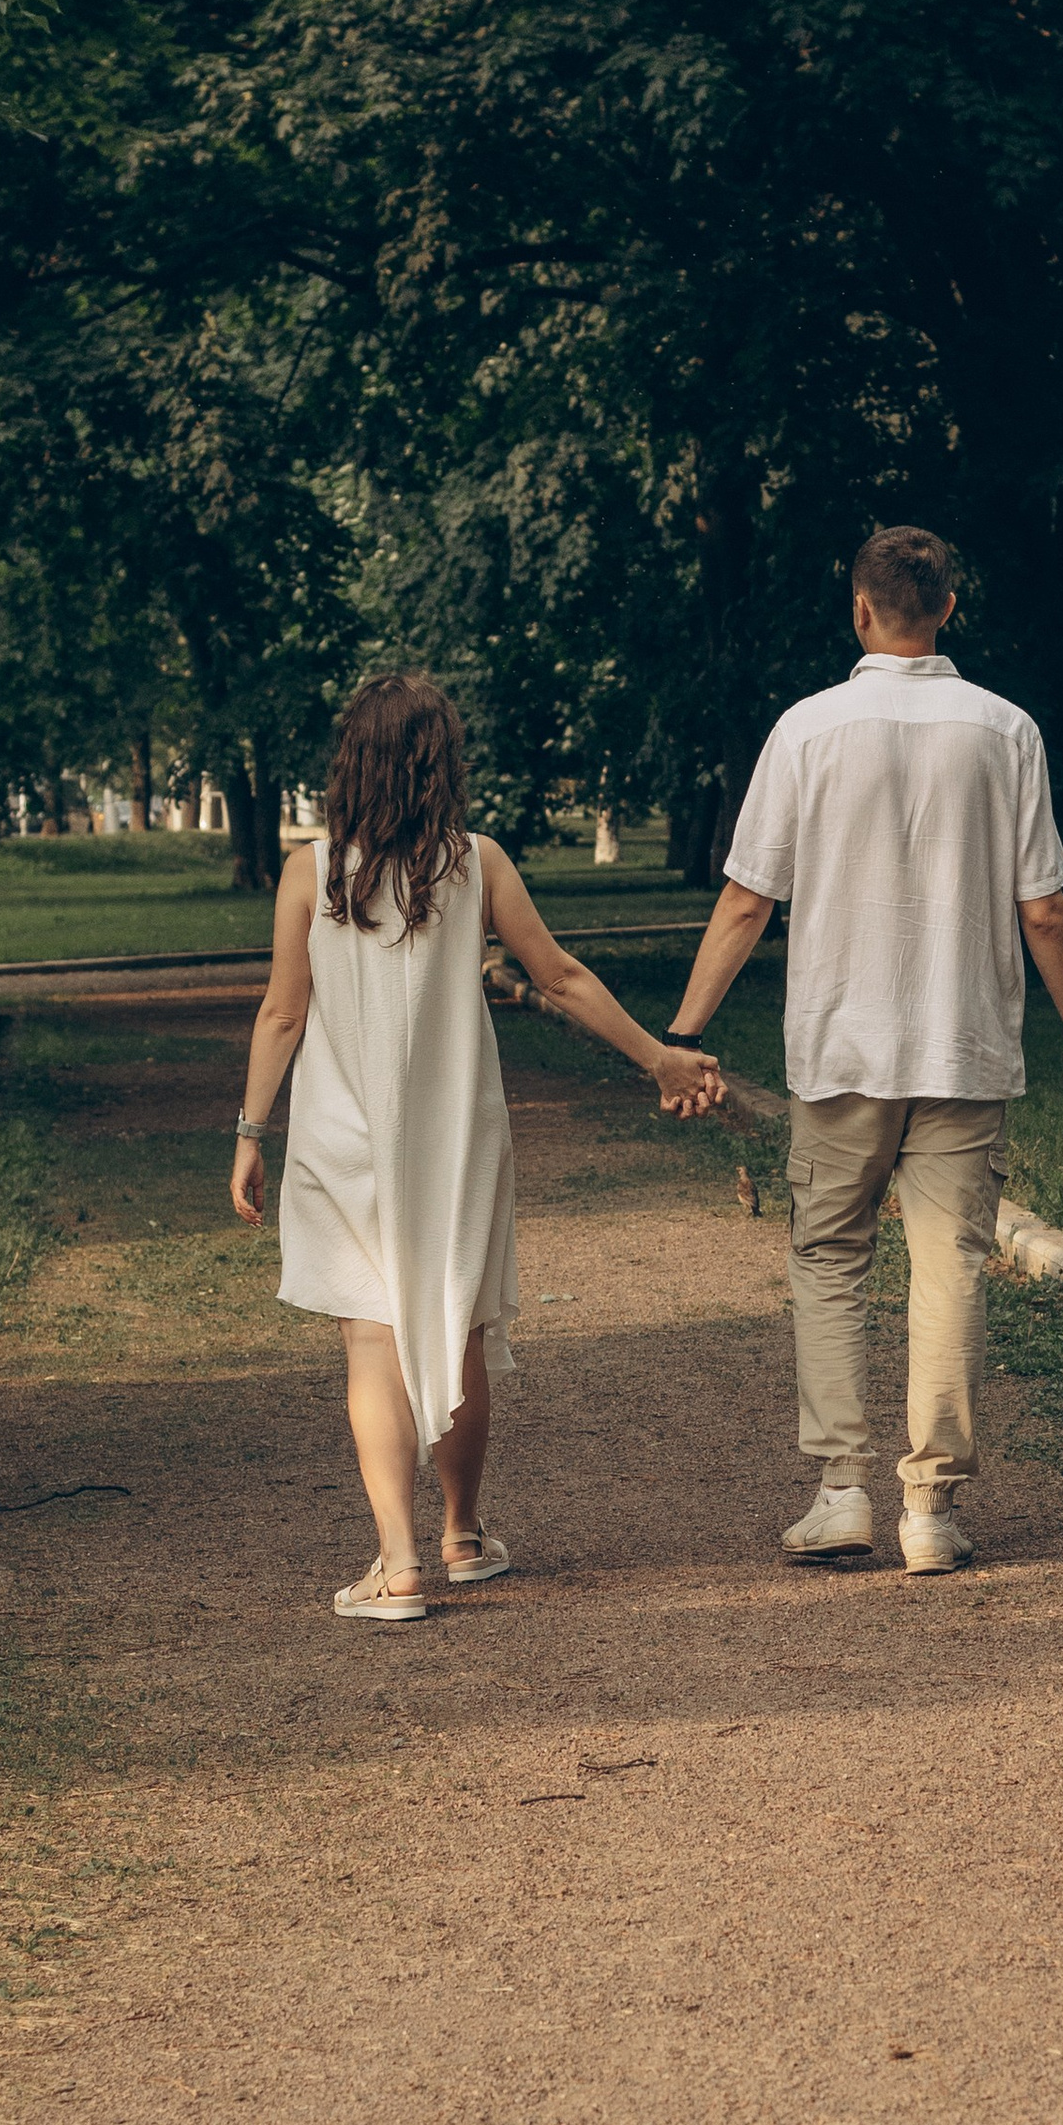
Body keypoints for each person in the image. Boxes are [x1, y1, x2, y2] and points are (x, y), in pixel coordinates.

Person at [229, 672, 724, 1624]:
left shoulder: (311, 870)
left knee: (371, 1342)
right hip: (457, 1136)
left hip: (343, 1138)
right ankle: (462, 1534)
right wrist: (658, 1058)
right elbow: (564, 979)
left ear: (353, 762)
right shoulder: (477, 863)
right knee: (456, 1327)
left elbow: (284, 1011)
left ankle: (398, 1563)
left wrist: (252, 1133)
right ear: (440, 763)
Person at [665, 525, 1063, 1577]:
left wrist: (683, 1032)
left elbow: (745, 898)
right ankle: (930, 1510)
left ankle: (839, 1494)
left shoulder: (808, 730)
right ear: (947, 607)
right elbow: (1042, 910)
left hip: (839, 1049)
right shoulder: (1005, 731)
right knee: (948, 1269)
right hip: (963, 1048)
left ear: (860, 609)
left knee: (828, 1261)